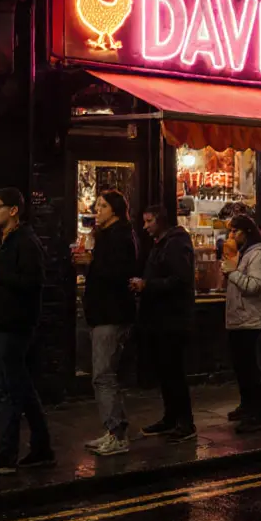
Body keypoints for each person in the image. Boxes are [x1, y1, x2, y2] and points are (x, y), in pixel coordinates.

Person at [0, 187, 54, 476]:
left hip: (12, 327)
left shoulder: (26, 242)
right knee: (21, 388)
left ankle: (7, 455)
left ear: (13, 210)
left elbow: (34, 282)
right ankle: (42, 448)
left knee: (7, 391)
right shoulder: (3, 242)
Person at [73, 191, 138, 457]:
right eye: (96, 205)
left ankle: (117, 435)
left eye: (102, 206)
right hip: (101, 313)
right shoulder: (105, 236)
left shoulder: (121, 237)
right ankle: (113, 429)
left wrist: (91, 262)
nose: (97, 210)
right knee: (103, 375)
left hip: (112, 315)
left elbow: (120, 274)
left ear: (115, 210)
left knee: (103, 376)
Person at [134, 205, 197, 444]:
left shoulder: (176, 243)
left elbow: (180, 280)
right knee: (165, 372)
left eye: (149, 221)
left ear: (160, 221)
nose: (145, 226)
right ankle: (171, 418)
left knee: (174, 372)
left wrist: (147, 285)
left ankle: (185, 422)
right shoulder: (162, 244)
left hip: (173, 319)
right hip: (160, 319)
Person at [221, 215, 261, 433]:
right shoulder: (243, 254)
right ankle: (246, 406)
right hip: (238, 318)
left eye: (235, 231)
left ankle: (255, 414)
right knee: (241, 367)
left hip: (250, 319)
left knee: (250, 368)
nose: (231, 235)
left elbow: (255, 286)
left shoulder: (258, 255)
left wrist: (232, 273)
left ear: (247, 232)